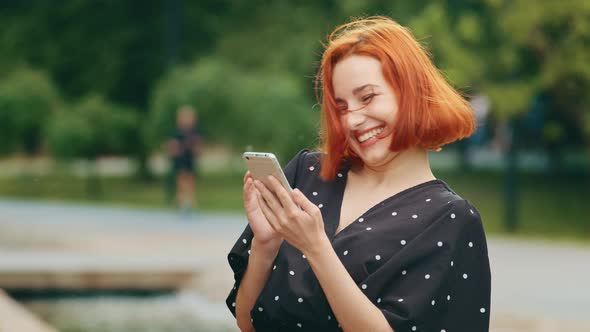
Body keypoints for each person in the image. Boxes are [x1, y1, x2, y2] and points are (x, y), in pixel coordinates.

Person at [226, 17, 491, 332]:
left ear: (411, 91)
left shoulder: (451, 220)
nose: (352, 121)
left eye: (367, 98)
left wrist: (316, 247)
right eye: (341, 107)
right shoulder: (307, 173)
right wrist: (265, 246)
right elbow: (248, 322)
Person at [166, 105, 202, 217]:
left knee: (191, 183)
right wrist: (176, 150)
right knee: (181, 183)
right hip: (180, 161)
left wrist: (196, 148)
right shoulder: (177, 134)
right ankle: (181, 204)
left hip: (189, 160)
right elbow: (171, 147)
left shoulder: (194, 133)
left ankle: (190, 204)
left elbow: (198, 147)